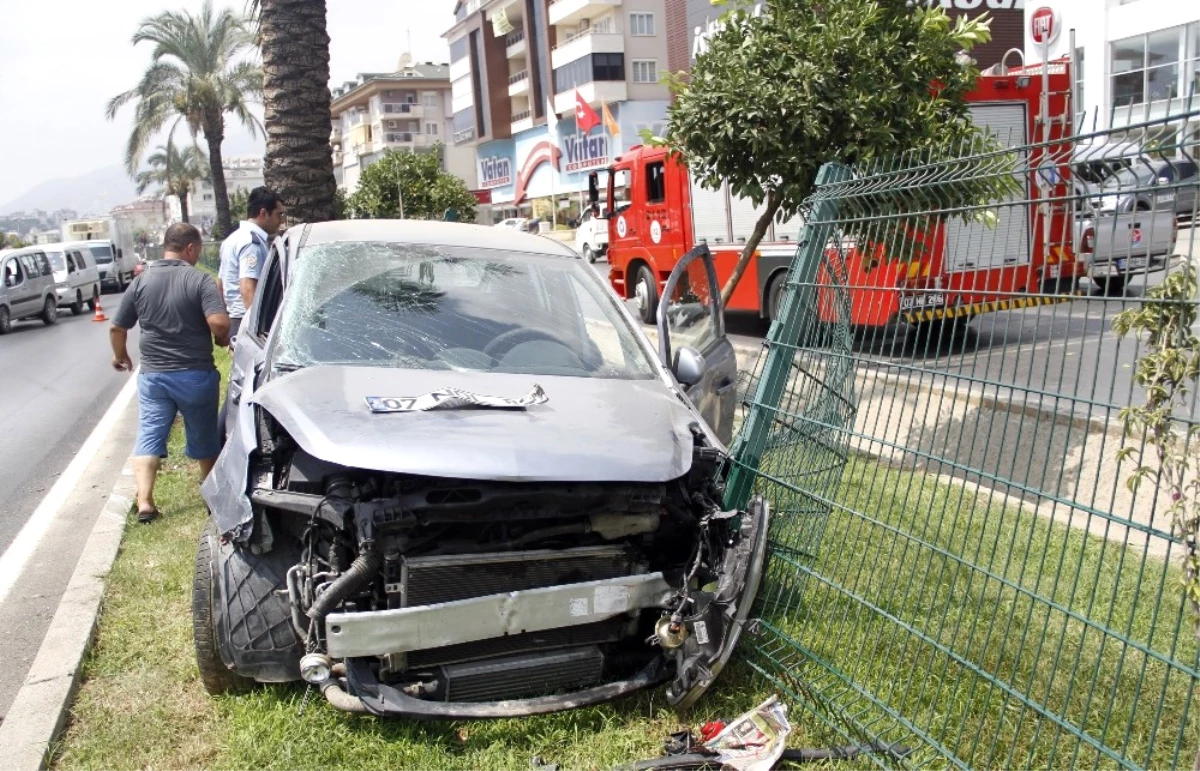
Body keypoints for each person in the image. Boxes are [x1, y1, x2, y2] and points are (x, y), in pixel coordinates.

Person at [110, 224, 231, 524]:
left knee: (150, 434)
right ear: (190, 248)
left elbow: (117, 327)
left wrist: (120, 355)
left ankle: (145, 502)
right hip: (195, 374)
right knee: (203, 436)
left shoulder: (141, 281)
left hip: (154, 376)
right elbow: (218, 323)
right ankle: (210, 497)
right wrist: (221, 339)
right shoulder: (200, 280)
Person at [216, 186, 285, 339]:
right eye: (278, 214)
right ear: (263, 213)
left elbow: (220, 285)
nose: (281, 221)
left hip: (237, 320)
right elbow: (248, 288)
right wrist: (256, 333)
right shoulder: (251, 243)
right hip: (248, 323)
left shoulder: (232, 239)